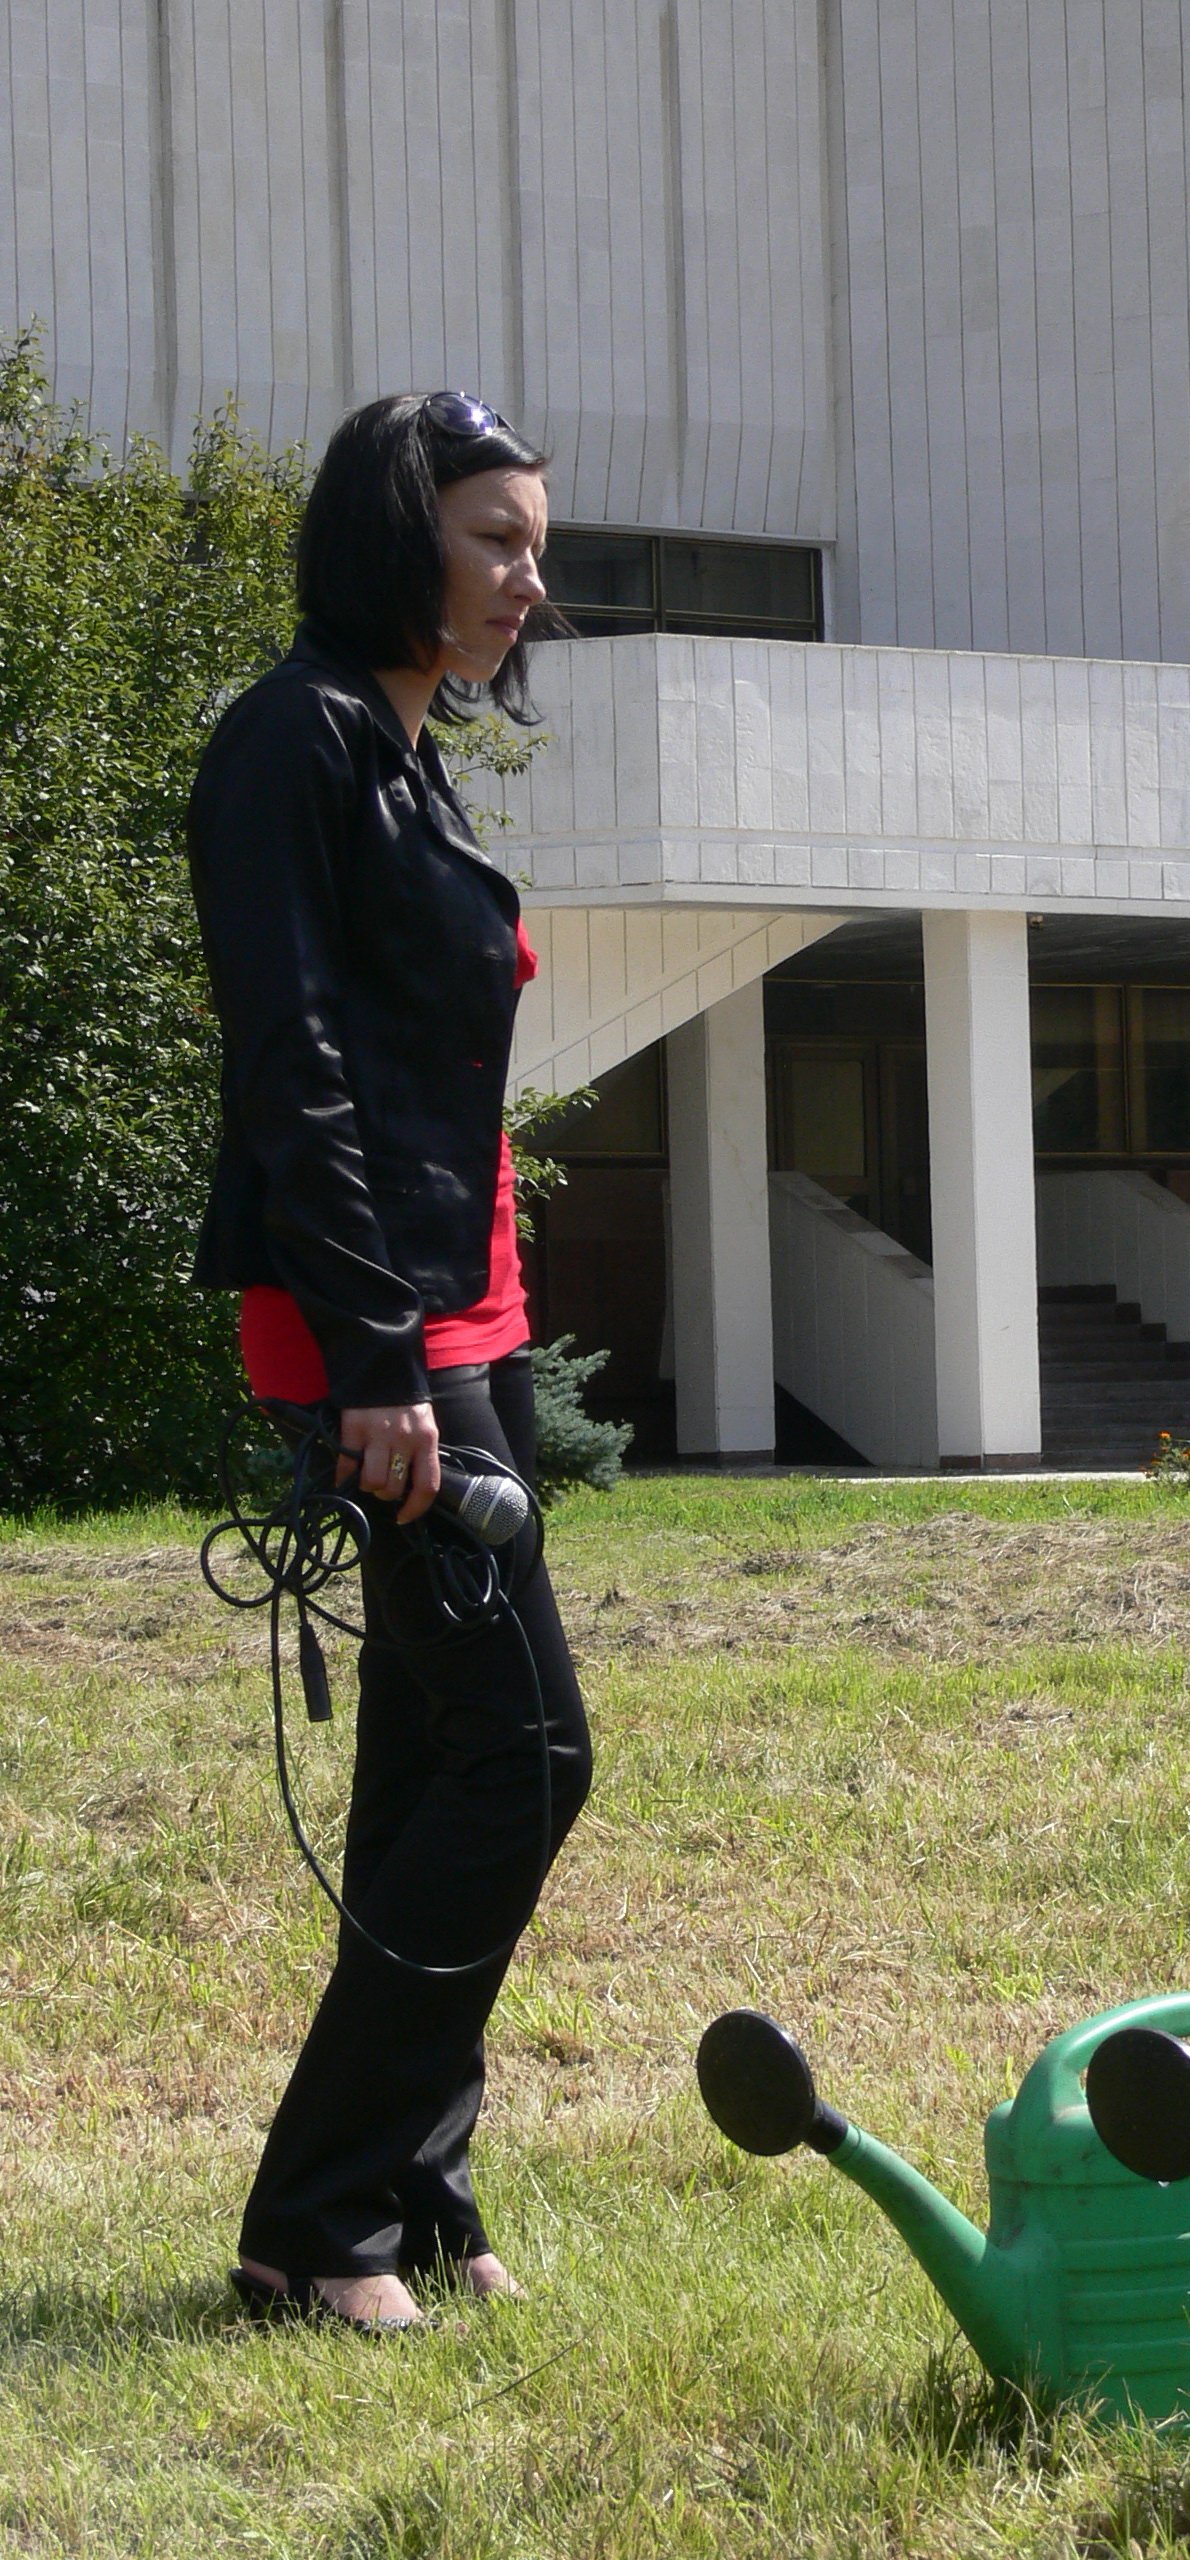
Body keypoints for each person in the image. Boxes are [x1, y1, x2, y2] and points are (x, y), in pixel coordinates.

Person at [188, 392, 593, 2332]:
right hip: (375, 1336)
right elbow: (294, 1065)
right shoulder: (294, 741)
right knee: (528, 1747)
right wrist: (376, 1362)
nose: (530, 581)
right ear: (395, 538)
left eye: (536, 546)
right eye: (496, 539)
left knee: (438, 1754)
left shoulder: (404, 755)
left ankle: (414, 2187)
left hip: (458, 1324)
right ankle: (312, 2216)